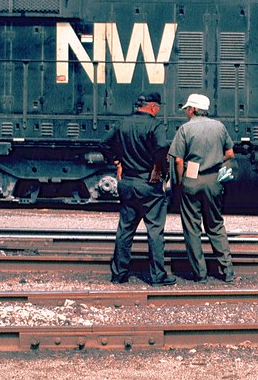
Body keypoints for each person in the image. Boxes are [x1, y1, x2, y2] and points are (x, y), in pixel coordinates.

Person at [101, 92, 176, 286]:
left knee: (125, 230)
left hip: (127, 183)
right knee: (155, 232)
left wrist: (117, 162)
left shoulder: (122, 124)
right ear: (152, 106)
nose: (158, 109)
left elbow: (104, 144)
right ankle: (158, 276)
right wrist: (159, 176)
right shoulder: (156, 126)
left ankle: (119, 275)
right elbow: (161, 150)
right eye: (158, 106)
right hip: (148, 186)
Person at [169, 93, 237, 282]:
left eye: (187, 110)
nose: (186, 113)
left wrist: (181, 181)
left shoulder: (185, 129)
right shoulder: (219, 127)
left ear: (192, 109)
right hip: (214, 180)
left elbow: (179, 160)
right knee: (215, 225)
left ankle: (200, 274)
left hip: (192, 179)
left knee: (192, 228)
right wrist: (215, 161)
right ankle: (227, 271)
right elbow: (230, 153)